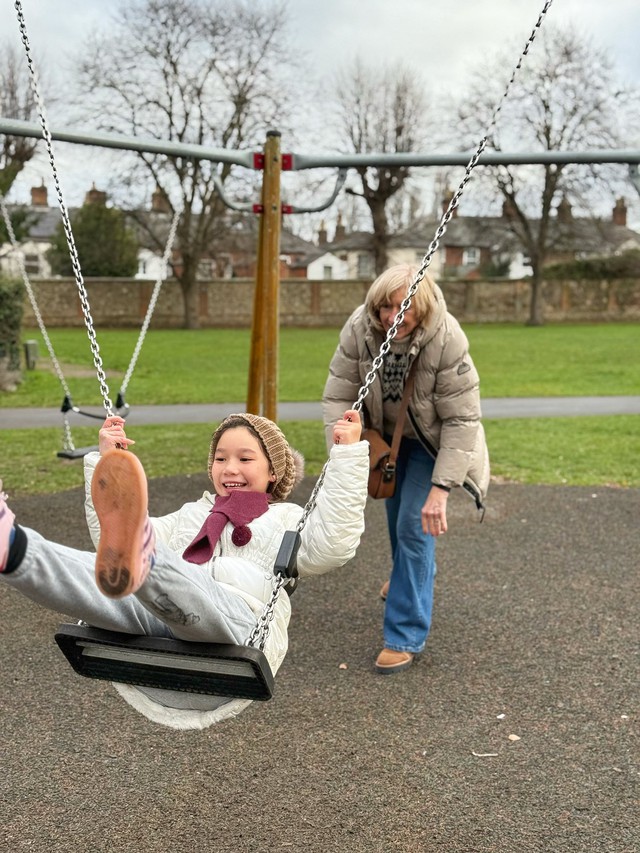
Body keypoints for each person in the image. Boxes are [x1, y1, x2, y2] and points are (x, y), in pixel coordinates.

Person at [0, 409, 368, 729]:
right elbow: (113, 543)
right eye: (221, 459)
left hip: (239, 627)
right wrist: (107, 467)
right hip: (163, 622)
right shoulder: (191, 515)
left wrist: (347, 456)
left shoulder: (286, 519)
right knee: (98, 583)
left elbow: (334, 543)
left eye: (245, 459)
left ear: (273, 471)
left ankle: (150, 559)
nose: (230, 469)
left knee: (174, 575)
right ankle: (15, 548)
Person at [323, 263, 490, 675]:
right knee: (398, 521)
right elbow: (339, 392)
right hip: (388, 442)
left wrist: (442, 489)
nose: (390, 316)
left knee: (415, 527)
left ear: (424, 306)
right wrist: (341, 451)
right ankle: (405, 581)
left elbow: (461, 421)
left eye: (402, 306)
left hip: (434, 444)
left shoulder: (446, 337)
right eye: (383, 306)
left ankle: (404, 634)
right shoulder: (359, 330)